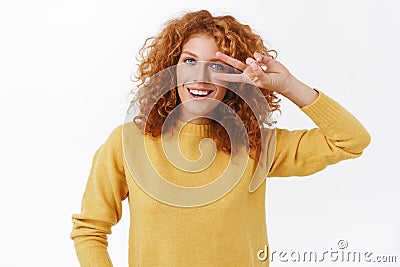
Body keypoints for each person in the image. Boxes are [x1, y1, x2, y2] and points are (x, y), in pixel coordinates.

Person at [70, 10, 371, 267]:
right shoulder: (128, 142)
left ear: (237, 78)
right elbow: (90, 229)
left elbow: (351, 140)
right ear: (170, 69)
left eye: (217, 65)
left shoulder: (257, 146)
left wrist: (288, 85)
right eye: (189, 61)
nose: (200, 76)